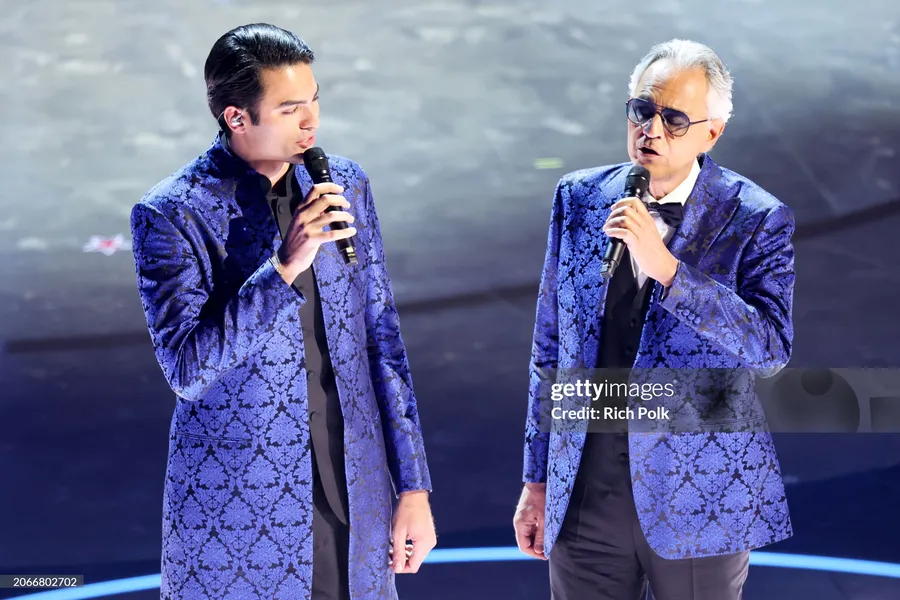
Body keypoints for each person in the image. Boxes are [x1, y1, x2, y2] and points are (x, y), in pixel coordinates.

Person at [130, 23, 436, 600]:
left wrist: (413, 488)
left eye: (314, 100)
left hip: (355, 492)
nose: (310, 121)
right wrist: (283, 268)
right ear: (236, 117)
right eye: (290, 108)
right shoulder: (172, 213)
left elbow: (382, 340)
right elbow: (188, 370)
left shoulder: (344, 184)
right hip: (239, 511)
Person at [514, 38, 795, 599]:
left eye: (674, 119)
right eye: (643, 110)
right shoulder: (578, 197)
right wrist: (538, 477)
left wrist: (669, 271)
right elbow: (551, 346)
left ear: (712, 133)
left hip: (699, 492)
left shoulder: (757, 217)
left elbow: (769, 348)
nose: (652, 131)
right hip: (587, 490)